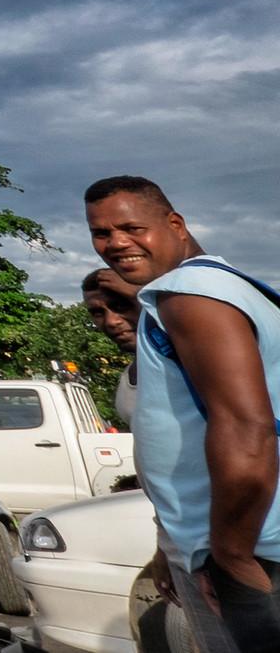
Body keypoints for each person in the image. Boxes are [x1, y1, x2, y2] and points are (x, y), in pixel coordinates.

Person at [86, 175, 280, 651]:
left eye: (131, 227)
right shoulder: (223, 286)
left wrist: (230, 554)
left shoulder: (189, 293)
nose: (115, 244)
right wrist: (173, 543)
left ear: (174, 224)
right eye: (101, 233)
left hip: (252, 544)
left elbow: (245, 428)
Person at [82, 267, 140, 424]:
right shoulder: (130, 375)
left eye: (121, 306)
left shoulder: (187, 365)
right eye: (98, 313)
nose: (111, 322)